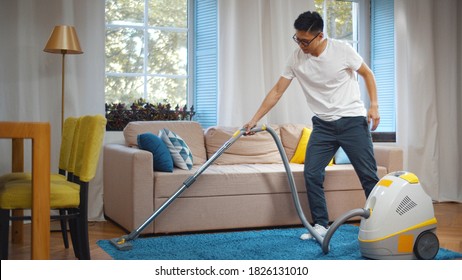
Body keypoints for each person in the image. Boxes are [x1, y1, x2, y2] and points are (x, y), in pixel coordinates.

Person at [243, 11, 381, 240]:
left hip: (352, 121)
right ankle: (320, 224)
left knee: (368, 176)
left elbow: (367, 73)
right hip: (323, 125)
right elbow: (277, 91)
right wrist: (255, 118)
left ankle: (381, 222)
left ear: (320, 36)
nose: (301, 45)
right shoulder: (296, 58)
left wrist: (374, 105)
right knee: (312, 173)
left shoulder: (342, 50)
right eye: (297, 39)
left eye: (305, 41)